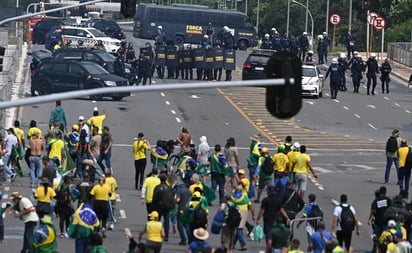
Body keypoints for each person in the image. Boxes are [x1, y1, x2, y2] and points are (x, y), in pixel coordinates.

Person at [231, 185, 255, 251]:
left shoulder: (234, 197)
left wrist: (232, 193)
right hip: (244, 212)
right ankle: (232, 244)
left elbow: (229, 201)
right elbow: (251, 206)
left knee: (239, 229)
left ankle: (243, 244)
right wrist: (253, 215)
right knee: (239, 228)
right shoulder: (245, 196)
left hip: (237, 213)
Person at [368, 186, 391, 252]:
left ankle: (375, 250)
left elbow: (373, 211)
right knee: (385, 237)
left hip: (377, 222)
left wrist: (370, 219)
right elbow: (391, 209)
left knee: (376, 237)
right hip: (386, 222)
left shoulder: (376, 200)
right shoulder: (388, 200)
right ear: (385, 192)